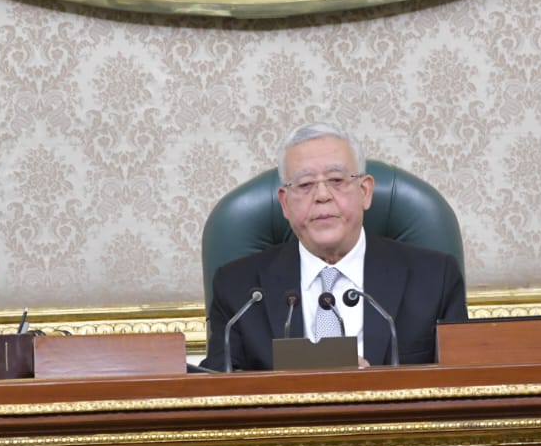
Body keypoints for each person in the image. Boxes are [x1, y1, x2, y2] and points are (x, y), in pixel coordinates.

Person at [200, 124, 468, 372]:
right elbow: (217, 392)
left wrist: (377, 386)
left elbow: (462, 385)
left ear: (365, 192)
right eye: (305, 185)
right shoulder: (238, 290)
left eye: (337, 180)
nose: (322, 196)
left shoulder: (435, 278)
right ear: (285, 203)